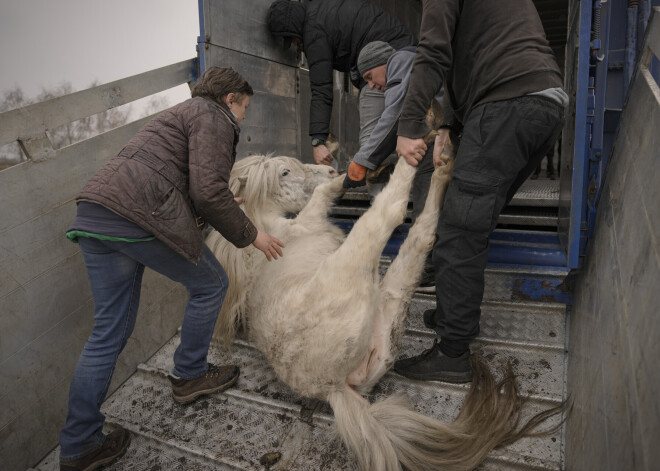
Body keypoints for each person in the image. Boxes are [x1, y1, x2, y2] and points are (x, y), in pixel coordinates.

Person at [58, 67, 285, 471]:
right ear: (230, 99)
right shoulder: (213, 115)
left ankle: (80, 445)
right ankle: (189, 376)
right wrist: (254, 236)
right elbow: (207, 191)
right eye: (245, 107)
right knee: (213, 284)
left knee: (108, 331)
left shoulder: (179, 115)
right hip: (137, 217)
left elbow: (187, 184)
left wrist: (220, 205)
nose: (245, 116)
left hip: (96, 214)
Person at [394, 0, 567, 383]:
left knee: (459, 231)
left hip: (506, 103)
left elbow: (434, 51)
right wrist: (448, 126)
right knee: (473, 219)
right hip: (545, 103)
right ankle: (451, 313)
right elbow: (473, 54)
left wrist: (408, 125)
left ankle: (452, 354)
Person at [266, 0, 416, 167]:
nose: (294, 44)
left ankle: (379, 189)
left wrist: (318, 142)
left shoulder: (313, 31)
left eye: (291, 39)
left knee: (370, 142)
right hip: (406, 51)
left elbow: (321, 89)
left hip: (388, 59)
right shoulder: (321, 11)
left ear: (293, 28)